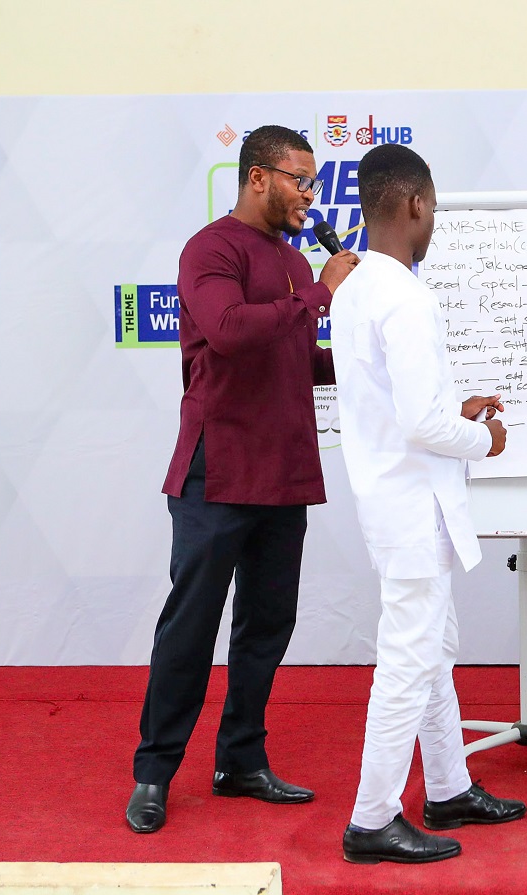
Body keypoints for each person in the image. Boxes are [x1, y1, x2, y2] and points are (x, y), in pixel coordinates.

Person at [126, 125, 360, 833]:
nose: (309, 196)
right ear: (258, 177)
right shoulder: (211, 250)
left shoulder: (291, 262)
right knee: (191, 627)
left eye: (314, 183)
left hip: (285, 472)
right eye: (300, 180)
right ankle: (153, 773)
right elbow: (228, 330)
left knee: (266, 626)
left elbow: (293, 358)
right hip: (216, 472)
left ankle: (240, 760)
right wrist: (320, 294)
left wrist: (367, 365)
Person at [331, 143, 526, 865]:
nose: (435, 219)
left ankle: (447, 787)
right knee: (408, 660)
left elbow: (396, 404)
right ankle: (372, 818)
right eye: (435, 207)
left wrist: (456, 406)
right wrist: (486, 436)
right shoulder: (405, 295)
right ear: (413, 203)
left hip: (397, 500)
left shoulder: (351, 288)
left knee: (433, 650)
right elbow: (420, 424)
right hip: (411, 506)